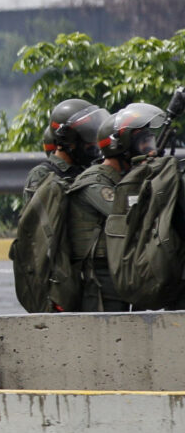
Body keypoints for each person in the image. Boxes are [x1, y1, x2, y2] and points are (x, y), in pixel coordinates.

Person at [65, 107, 137, 312]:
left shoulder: (118, 179)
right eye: (139, 143)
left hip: (117, 272)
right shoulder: (94, 182)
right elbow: (128, 215)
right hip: (98, 279)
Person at [23, 99, 102, 206]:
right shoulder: (43, 175)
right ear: (67, 139)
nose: (92, 144)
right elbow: (38, 219)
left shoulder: (87, 170)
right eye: (87, 135)